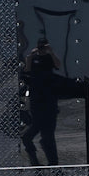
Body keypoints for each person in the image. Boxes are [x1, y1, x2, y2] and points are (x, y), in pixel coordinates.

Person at [21, 37, 61, 166]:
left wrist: (51, 52)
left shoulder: (49, 58)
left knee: (47, 133)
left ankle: (52, 162)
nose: (42, 49)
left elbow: (58, 65)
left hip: (49, 97)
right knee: (36, 128)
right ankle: (36, 159)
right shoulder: (33, 58)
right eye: (40, 46)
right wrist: (30, 57)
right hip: (36, 98)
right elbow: (26, 70)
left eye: (44, 46)